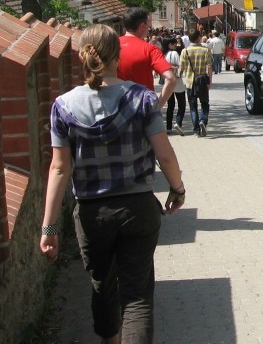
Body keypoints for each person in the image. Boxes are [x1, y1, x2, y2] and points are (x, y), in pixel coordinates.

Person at [40, 24, 186, 344]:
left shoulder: (63, 106)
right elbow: (166, 154)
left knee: (101, 284)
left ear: (81, 56)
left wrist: (49, 228)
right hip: (138, 208)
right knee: (136, 295)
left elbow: (60, 169)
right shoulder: (143, 99)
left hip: (93, 214)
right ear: (118, 56)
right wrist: (177, 189)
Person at [118, 7, 176, 108]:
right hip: (141, 110)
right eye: (148, 25)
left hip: (113, 109)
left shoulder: (110, 46)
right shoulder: (150, 49)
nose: (149, 28)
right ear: (142, 25)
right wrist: (157, 107)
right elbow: (171, 78)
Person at [180, 29, 213, 137]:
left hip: (190, 82)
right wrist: (210, 81)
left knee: (193, 107)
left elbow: (182, 68)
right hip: (202, 81)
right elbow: (209, 66)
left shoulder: (185, 51)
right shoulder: (206, 50)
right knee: (205, 104)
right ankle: (203, 120)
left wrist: (178, 76)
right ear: (199, 37)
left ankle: (196, 130)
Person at [164, 38, 186, 136]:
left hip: (168, 81)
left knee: (170, 105)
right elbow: (181, 66)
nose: (176, 46)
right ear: (171, 44)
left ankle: (168, 127)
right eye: (174, 44)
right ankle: (178, 122)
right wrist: (180, 72)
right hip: (178, 82)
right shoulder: (175, 54)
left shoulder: (166, 55)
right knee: (182, 104)